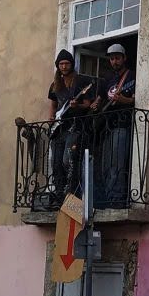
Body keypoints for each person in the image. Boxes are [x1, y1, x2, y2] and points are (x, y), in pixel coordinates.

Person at [45, 50, 95, 207]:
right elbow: (53, 104)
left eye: (66, 63)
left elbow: (87, 104)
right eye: (61, 64)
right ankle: (59, 194)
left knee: (68, 161)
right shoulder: (55, 84)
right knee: (56, 162)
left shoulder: (80, 82)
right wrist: (52, 117)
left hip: (74, 127)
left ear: (72, 64)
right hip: (59, 128)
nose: (64, 66)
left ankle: (71, 193)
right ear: (58, 66)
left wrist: (77, 105)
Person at [91, 43, 136, 207]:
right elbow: (100, 98)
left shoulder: (132, 76)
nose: (114, 61)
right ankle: (107, 196)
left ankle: (116, 198)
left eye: (117, 58)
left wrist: (124, 100)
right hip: (107, 126)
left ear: (124, 58)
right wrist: (95, 105)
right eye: (111, 59)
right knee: (106, 164)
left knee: (117, 162)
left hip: (123, 124)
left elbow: (137, 99)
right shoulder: (107, 80)